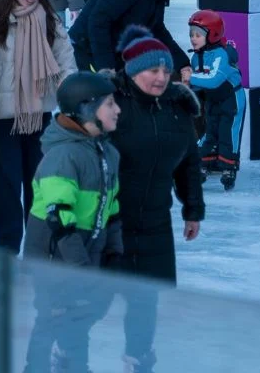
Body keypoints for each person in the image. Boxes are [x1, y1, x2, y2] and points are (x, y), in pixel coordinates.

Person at [108, 26, 204, 372]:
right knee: (94, 296)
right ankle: (67, 352)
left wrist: (192, 210)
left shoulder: (176, 109)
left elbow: (189, 163)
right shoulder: (110, 106)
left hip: (154, 219)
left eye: (166, 70)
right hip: (110, 220)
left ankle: (139, 357)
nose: (162, 77)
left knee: (144, 297)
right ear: (133, 71)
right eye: (153, 70)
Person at [22, 71, 122, 373]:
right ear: (85, 109)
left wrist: (114, 254)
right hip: (56, 256)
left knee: (81, 316)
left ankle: (73, 365)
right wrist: (81, 268)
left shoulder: (107, 153)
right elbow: (59, 218)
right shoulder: (63, 156)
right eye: (109, 104)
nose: (117, 110)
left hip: (86, 251)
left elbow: (112, 207)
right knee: (53, 317)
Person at [0, 0, 79, 254]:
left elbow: (65, 65)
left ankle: (39, 249)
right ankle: (4, 251)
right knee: (6, 188)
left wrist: (71, 100)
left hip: (41, 116)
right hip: (4, 118)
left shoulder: (50, 22)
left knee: (41, 187)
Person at [68, 0, 194, 79]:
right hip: (87, 48)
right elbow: (98, 22)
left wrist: (182, 63)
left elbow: (157, 30)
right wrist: (106, 67)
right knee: (103, 96)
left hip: (113, 51)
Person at [187, 9, 244, 191]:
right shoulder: (196, 57)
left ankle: (229, 166)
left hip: (231, 100)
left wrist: (190, 79)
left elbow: (214, 79)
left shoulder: (221, 55)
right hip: (213, 101)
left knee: (228, 133)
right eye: (191, 34)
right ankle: (203, 163)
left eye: (198, 35)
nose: (193, 39)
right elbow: (199, 84)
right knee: (210, 132)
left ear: (212, 35)